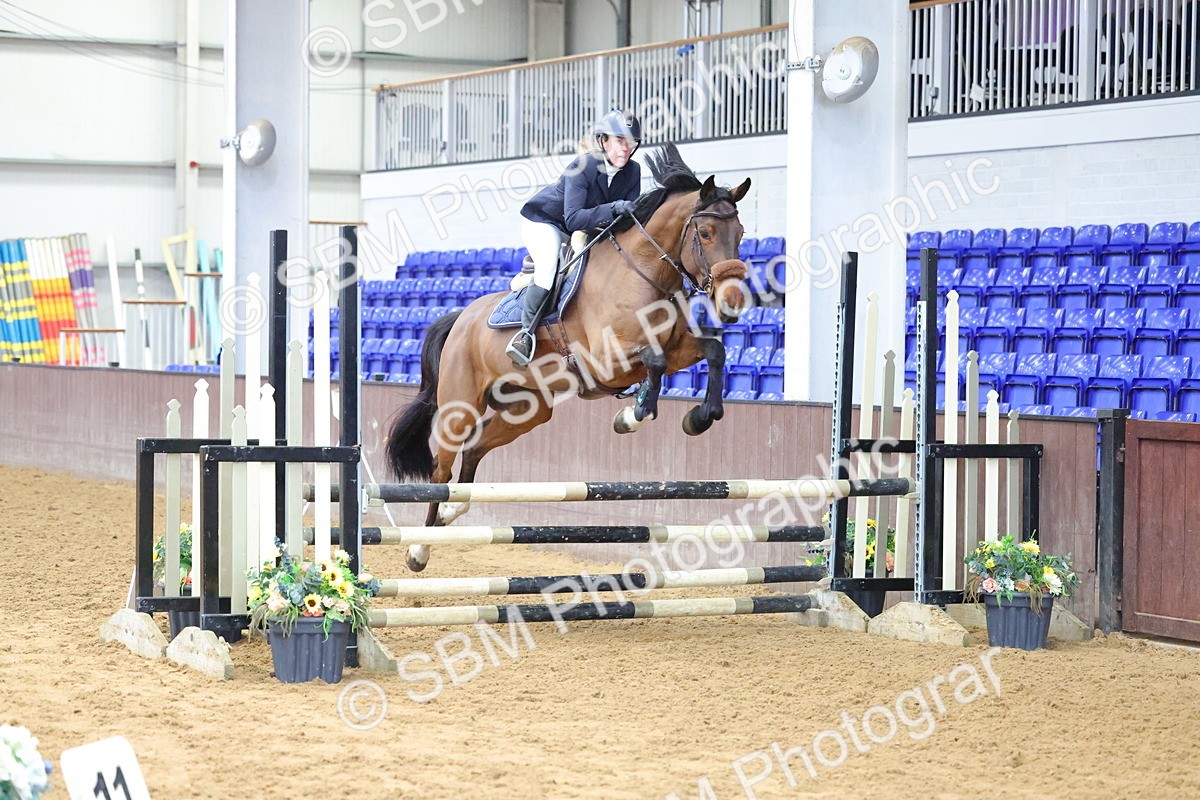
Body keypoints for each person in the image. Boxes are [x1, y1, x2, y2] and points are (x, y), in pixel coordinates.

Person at [505, 109, 643, 368]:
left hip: (582, 229)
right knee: (548, 269)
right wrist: (614, 209)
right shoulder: (583, 166)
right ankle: (524, 335)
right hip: (545, 222)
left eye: (631, 143)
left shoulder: (633, 172)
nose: (626, 149)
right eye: (620, 141)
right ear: (604, 141)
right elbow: (574, 219)